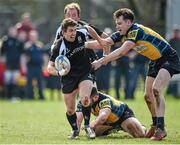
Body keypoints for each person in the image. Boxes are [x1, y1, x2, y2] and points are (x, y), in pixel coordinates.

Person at [91, 8, 180, 140]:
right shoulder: (123, 33)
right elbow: (105, 43)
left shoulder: (135, 30)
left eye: (119, 23)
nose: (117, 26)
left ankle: (161, 129)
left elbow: (122, 51)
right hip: (155, 60)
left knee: (156, 89)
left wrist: (101, 61)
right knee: (147, 96)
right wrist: (81, 45)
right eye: (116, 23)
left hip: (168, 58)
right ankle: (155, 125)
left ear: (128, 22)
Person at [47, 18, 104, 139]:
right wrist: (59, 73)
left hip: (85, 71)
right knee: (70, 110)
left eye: (74, 30)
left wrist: (100, 40)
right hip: (68, 77)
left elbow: (89, 29)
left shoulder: (81, 33)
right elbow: (49, 67)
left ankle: (88, 127)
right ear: (63, 32)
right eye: (70, 31)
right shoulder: (58, 46)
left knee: (85, 99)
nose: (73, 33)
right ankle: (74, 130)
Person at [76, 87, 146, 138]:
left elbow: (103, 117)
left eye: (86, 98)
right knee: (92, 131)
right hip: (108, 120)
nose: (84, 100)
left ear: (95, 97)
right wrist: (76, 132)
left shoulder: (104, 100)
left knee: (140, 135)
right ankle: (113, 128)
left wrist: (92, 125)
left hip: (122, 115)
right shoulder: (84, 100)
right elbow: (78, 119)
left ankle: (141, 127)